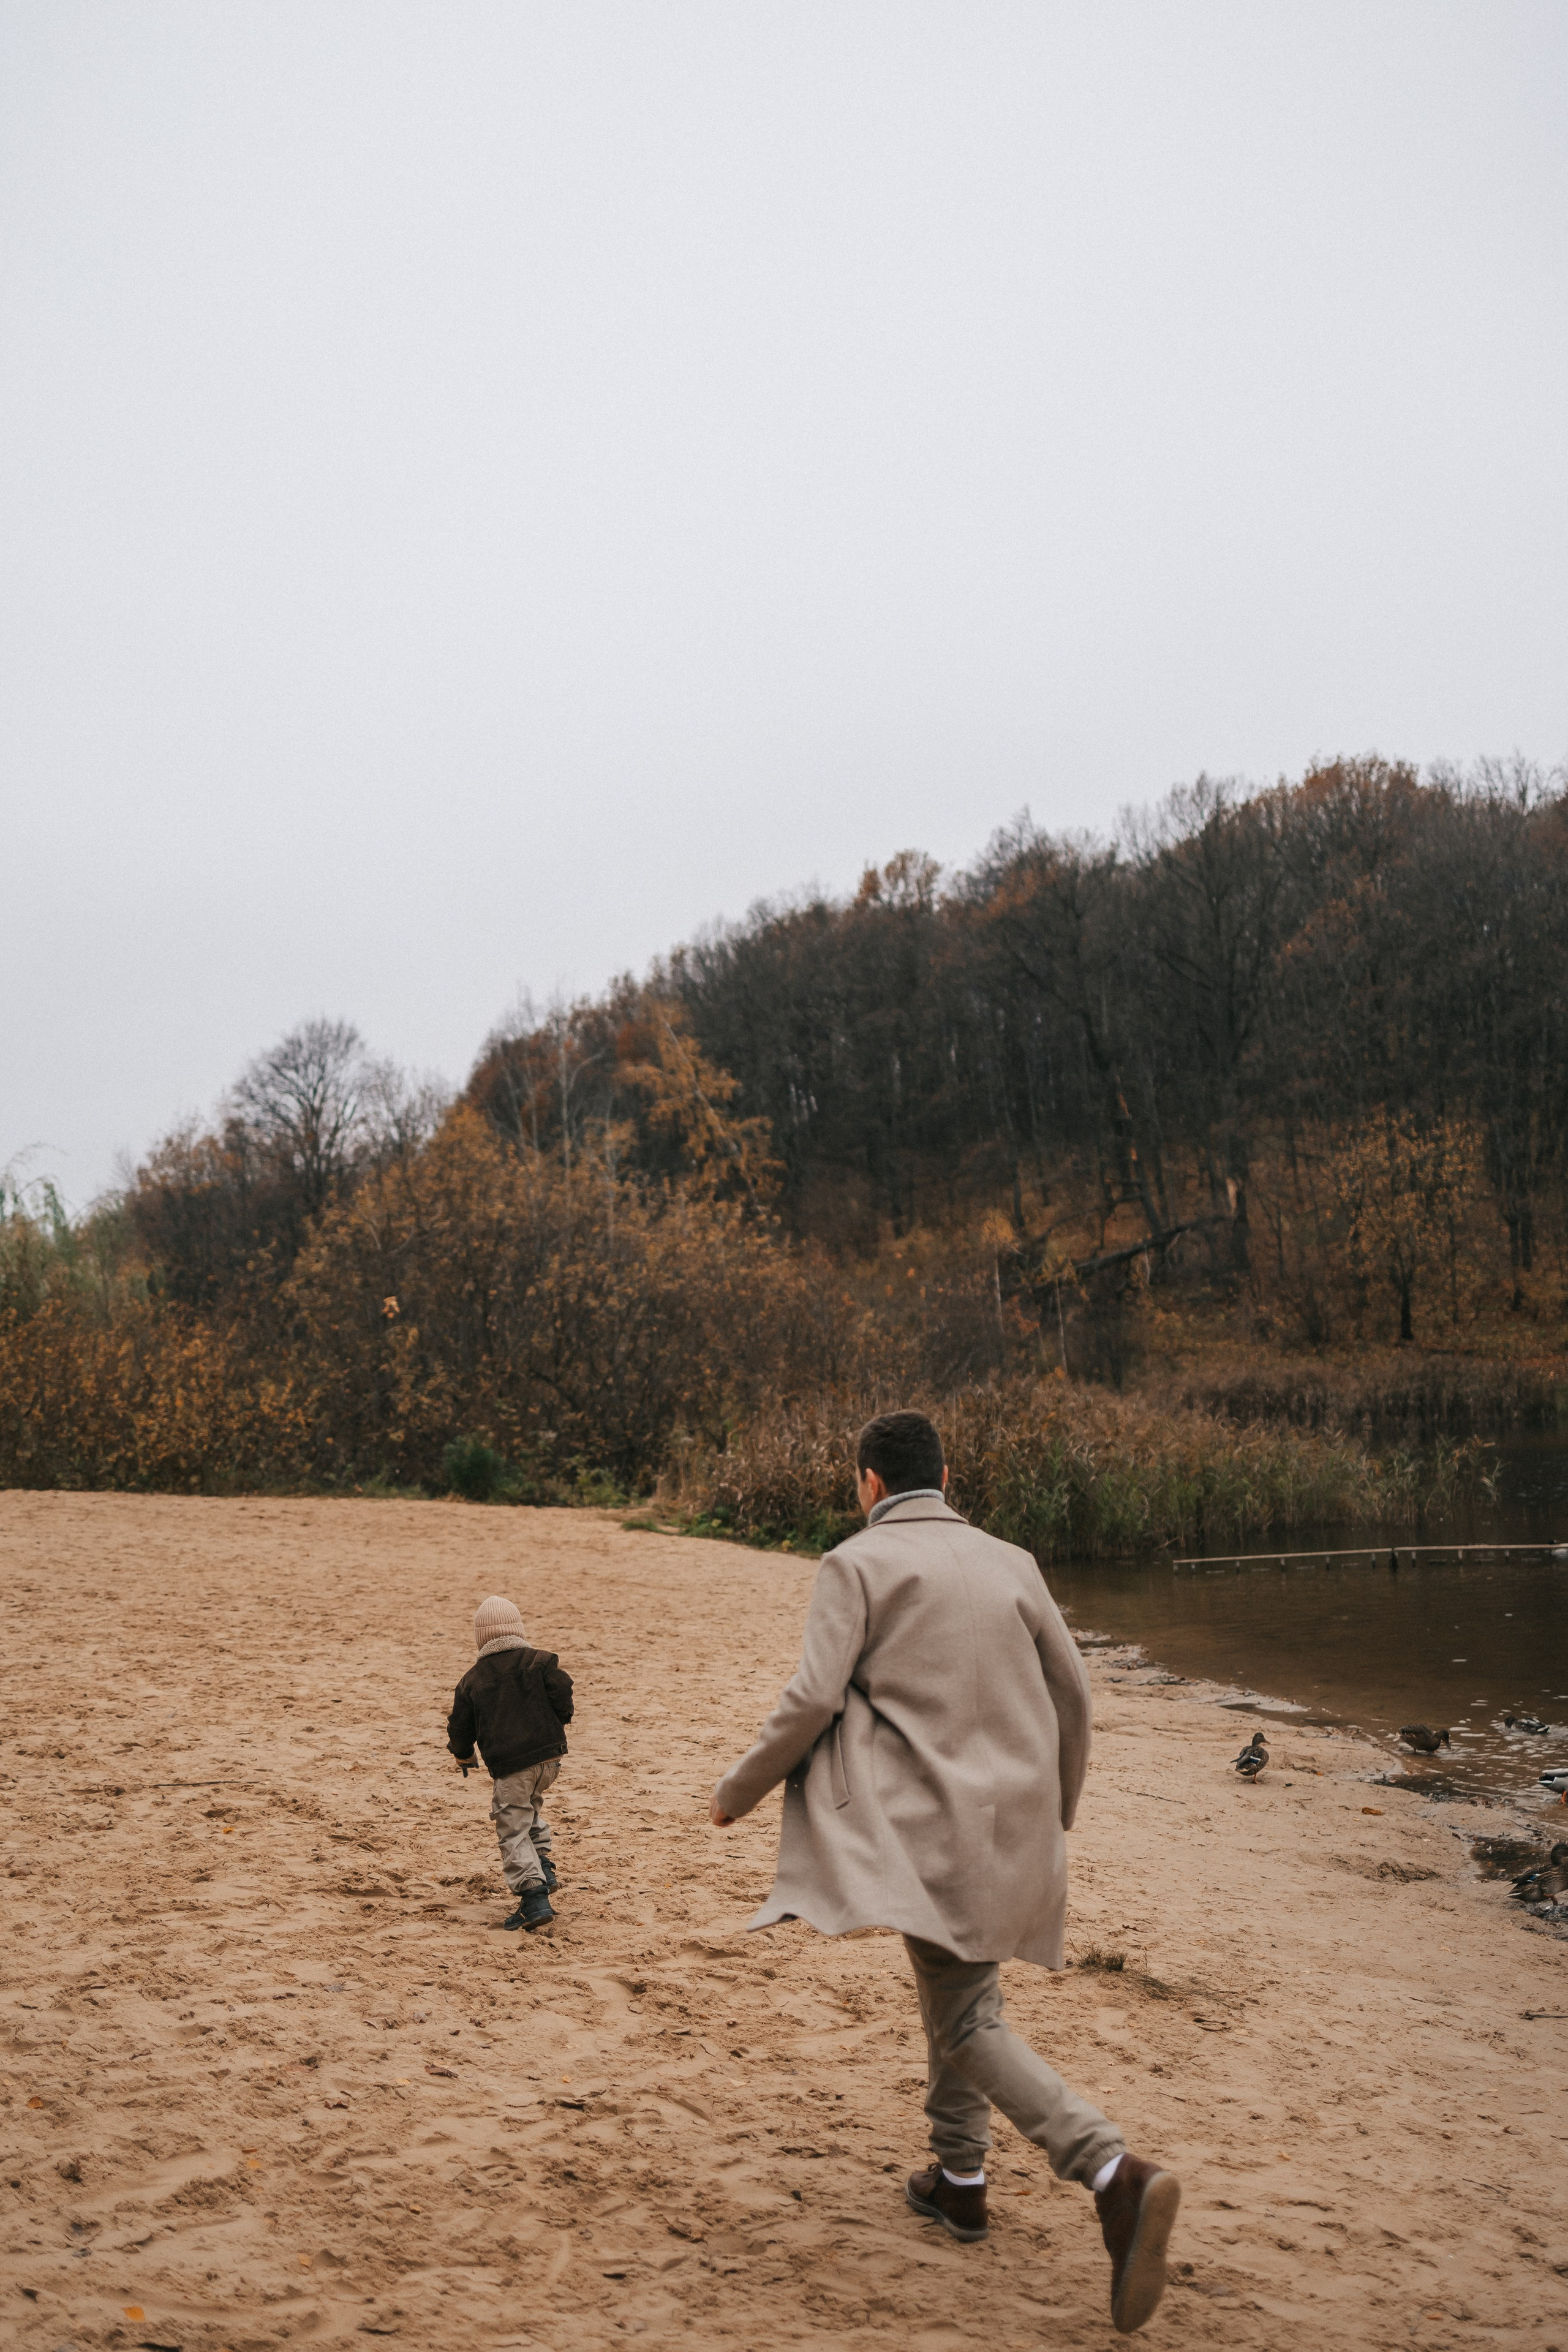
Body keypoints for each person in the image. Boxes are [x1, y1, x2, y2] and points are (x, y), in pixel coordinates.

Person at [709, 1409, 1181, 2336]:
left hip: (924, 1832)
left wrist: (740, 1789)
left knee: (965, 2016)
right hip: (1017, 1825)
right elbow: (1074, 1696)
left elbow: (812, 1697)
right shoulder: (1015, 1563)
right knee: (963, 1994)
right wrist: (1061, 1812)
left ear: (870, 1485)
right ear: (948, 1475)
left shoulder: (856, 1564)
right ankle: (960, 2181)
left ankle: (1111, 2171)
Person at [447, 1594, 574, 1934]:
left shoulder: (472, 1680)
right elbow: (563, 1690)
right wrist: (562, 1719)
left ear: (481, 1636)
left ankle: (533, 1898)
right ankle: (544, 1867)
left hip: (512, 1765)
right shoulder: (542, 1661)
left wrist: (463, 1755)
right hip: (550, 1760)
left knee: (512, 1825)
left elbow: (460, 1726)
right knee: (529, 1808)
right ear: (517, 1628)